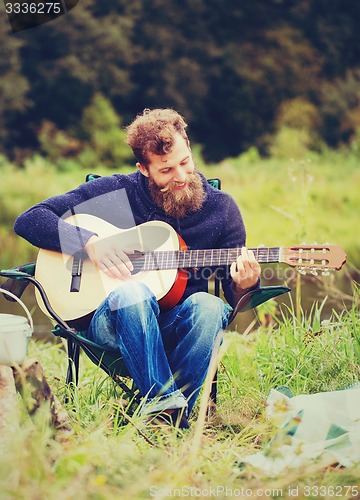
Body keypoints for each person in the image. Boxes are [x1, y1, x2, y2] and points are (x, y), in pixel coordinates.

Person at [14, 108, 261, 429]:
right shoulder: (118, 194)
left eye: (185, 162)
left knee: (211, 306)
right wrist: (90, 243)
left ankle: (165, 418)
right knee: (134, 291)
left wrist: (245, 284)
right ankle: (166, 412)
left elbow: (235, 297)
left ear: (189, 146)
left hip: (177, 328)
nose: (182, 177)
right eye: (166, 169)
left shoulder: (220, 210)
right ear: (143, 169)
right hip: (110, 323)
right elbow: (30, 219)